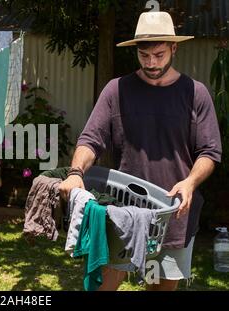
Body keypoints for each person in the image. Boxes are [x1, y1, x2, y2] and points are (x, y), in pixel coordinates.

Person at [59, 11, 222, 291]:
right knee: (102, 287)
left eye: (159, 55)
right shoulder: (117, 90)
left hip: (173, 217)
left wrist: (190, 182)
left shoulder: (195, 93)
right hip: (122, 214)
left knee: (159, 288)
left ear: (174, 48)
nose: (151, 63)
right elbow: (90, 139)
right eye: (144, 55)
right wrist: (75, 173)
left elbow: (210, 152)